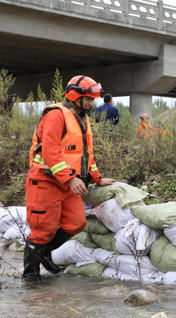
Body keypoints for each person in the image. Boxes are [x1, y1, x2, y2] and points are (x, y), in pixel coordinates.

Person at [24, 75, 116, 281]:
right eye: (89, 99)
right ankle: (30, 279)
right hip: (46, 181)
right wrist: (70, 180)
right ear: (76, 96)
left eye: (93, 99)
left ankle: (44, 254)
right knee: (42, 230)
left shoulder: (82, 117)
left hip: (68, 182)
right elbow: (50, 151)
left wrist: (96, 178)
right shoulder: (56, 115)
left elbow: (85, 155)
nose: (92, 103)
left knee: (76, 222)